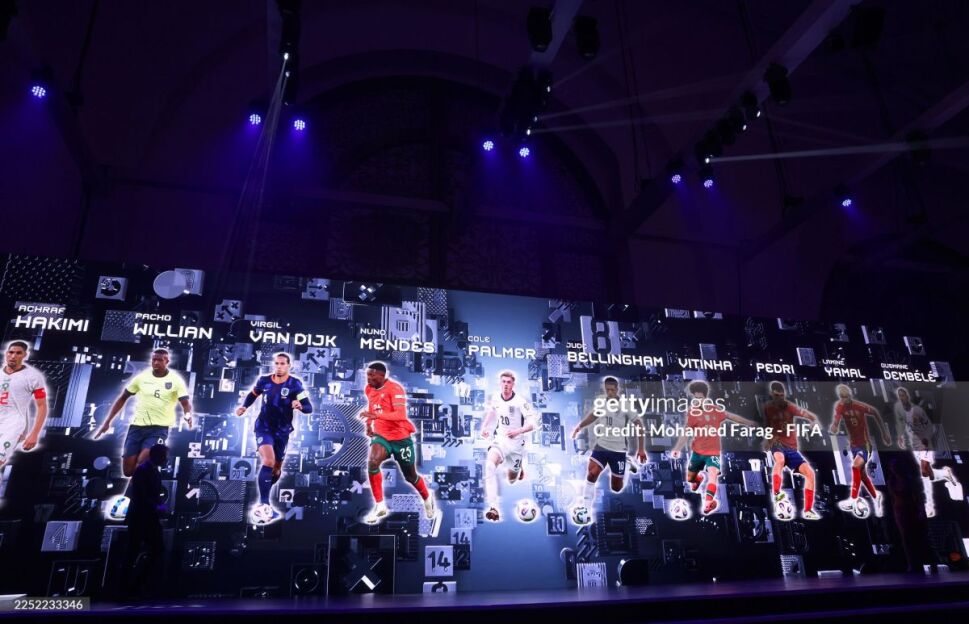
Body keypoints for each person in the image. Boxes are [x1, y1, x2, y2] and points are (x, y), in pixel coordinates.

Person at [235, 353, 312, 525]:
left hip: (282, 431)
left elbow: (309, 408)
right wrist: (244, 407)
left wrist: (300, 406)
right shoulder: (264, 381)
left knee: (276, 469)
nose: (279, 366)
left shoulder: (295, 384)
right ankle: (264, 503)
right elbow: (253, 394)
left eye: (282, 364)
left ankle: (266, 503)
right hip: (263, 427)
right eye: (277, 363)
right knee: (268, 461)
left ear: (289, 365)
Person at [95, 349, 192, 477]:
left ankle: (141, 486)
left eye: (160, 360)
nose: (156, 362)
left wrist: (187, 415)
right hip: (136, 428)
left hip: (158, 429)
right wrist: (107, 422)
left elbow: (185, 403)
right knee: (128, 472)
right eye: (154, 359)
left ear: (167, 361)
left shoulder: (175, 381)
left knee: (142, 462)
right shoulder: (141, 378)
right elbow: (123, 398)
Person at [360, 362, 434, 524]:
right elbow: (372, 406)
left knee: (410, 476)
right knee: (373, 462)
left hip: (401, 438)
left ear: (382, 375)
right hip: (381, 436)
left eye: (372, 375)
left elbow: (400, 415)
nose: (368, 378)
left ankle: (427, 498)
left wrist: (377, 416)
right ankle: (380, 505)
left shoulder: (395, 389)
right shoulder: (369, 389)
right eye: (367, 374)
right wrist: (369, 425)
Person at [670, 380, 757, 515]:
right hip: (698, 452)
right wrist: (677, 449)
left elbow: (731, 416)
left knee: (713, 475)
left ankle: (708, 502)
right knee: (690, 479)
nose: (698, 400)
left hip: (713, 452)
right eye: (695, 398)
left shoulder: (715, 410)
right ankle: (698, 479)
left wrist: (748, 422)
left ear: (705, 397)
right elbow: (686, 432)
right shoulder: (692, 412)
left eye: (700, 398)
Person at [570, 377, 647, 525]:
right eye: (607, 390)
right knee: (592, 474)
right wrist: (579, 427)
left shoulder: (625, 405)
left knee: (616, 488)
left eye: (612, 390)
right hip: (601, 446)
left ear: (617, 389)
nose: (610, 392)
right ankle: (586, 509)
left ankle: (626, 463)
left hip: (618, 450)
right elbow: (593, 415)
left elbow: (639, 425)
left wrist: (641, 449)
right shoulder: (601, 401)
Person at [479, 370, 538, 522]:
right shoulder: (495, 398)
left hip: (516, 444)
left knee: (511, 480)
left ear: (513, 384)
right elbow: (492, 412)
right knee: (489, 466)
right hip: (500, 440)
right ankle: (493, 507)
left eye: (509, 382)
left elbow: (533, 424)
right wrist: (485, 427)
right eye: (503, 382)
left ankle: (519, 467)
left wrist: (518, 431)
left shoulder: (520, 402)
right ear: (500, 383)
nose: (506, 384)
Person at [893, 387, 956, 517]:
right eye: (899, 396)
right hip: (915, 445)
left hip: (924, 443)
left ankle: (929, 505)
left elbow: (930, 427)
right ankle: (945, 473)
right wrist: (900, 437)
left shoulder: (918, 410)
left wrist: (926, 438)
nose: (902, 397)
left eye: (903, 395)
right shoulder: (900, 410)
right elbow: (902, 425)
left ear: (907, 396)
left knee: (924, 470)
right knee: (928, 474)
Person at [762, 381, 822, 520]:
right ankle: (776, 493)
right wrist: (768, 441)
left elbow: (812, 417)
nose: (780, 398)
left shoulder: (791, 408)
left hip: (792, 448)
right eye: (777, 395)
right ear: (772, 394)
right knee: (780, 460)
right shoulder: (768, 408)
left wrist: (814, 422)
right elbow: (768, 426)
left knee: (810, 473)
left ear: (784, 394)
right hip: (777, 444)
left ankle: (808, 510)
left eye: (781, 395)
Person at [830, 383, 891, 518]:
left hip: (865, 445)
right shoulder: (839, 406)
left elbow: (875, 412)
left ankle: (853, 498)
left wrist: (884, 432)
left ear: (850, 395)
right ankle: (876, 496)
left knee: (855, 466)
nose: (844, 399)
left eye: (845, 396)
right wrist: (834, 427)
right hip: (853, 446)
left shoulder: (859, 406)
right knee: (862, 475)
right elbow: (836, 421)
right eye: (841, 397)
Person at [123, 443, 168, 597]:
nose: (166, 459)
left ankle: (135, 585)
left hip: (148, 517)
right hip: (140, 516)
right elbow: (141, 496)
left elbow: (152, 495)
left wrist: (159, 507)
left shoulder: (153, 471)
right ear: (157, 456)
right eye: (164, 456)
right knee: (134, 550)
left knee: (153, 549)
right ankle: (128, 587)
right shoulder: (143, 470)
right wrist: (157, 507)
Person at [0, 341, 49, 477]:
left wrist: (34, 433)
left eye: (18, 353)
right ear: (6, 353)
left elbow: (42, 406)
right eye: (11, 352)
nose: (13, 356)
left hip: (14, 424)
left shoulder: (33, 377)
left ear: (25, 355)